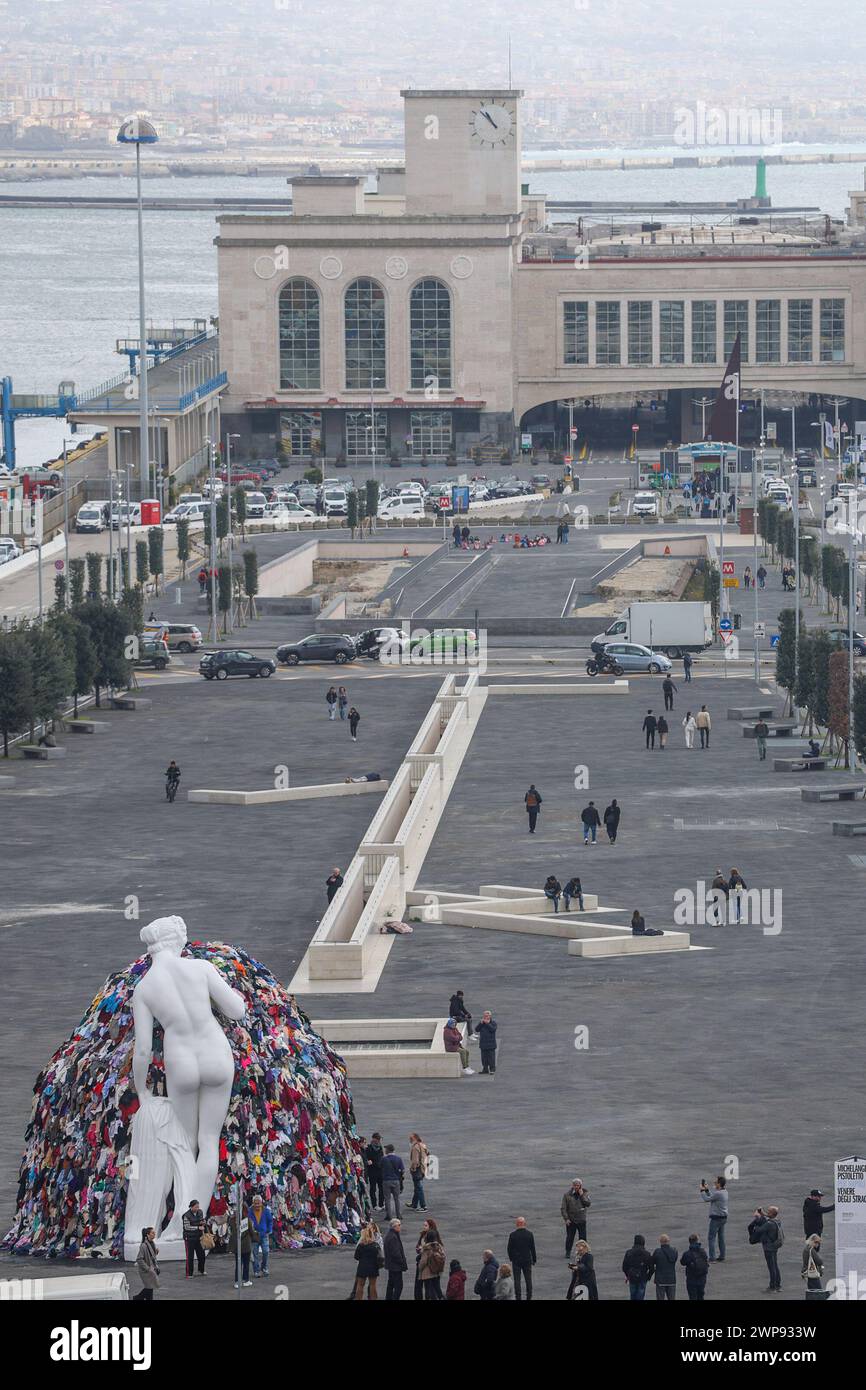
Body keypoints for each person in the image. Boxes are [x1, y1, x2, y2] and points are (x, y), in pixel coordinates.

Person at [750, 1205, 784, 1291]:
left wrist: (757, 1218)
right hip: (774, 1246)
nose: (767, 1213)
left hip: (768, 1247)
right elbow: (770, 1216)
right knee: (775, 1265)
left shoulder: (769, 1224)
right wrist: (762, 1213)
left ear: (771, 1214)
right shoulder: (777, 1221)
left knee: (771, 1267)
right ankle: (778, 1284)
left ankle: (772, 1286)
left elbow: (759, 1230)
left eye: (768, 1212)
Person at [506, 1216, 537, 1302]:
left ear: (517, 1224)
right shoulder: (529, 1234)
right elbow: (532, 1248)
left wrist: (512, 1258)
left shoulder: (513, 1235)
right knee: (528, 1279)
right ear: (525, 1224)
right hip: (527, 1259)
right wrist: (534, 1259)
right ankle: (529, 1296)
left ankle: (518, 1297)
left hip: (516, 1260)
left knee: (517, 1280)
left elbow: (509, 1248)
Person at [701, 1176, 729, 1262]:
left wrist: (702, 1191)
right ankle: (722, 1255)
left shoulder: (718, 1193)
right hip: (723, 1217)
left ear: (719, 1184)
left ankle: (712, 1257)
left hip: (716, 1218)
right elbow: (712, 1197)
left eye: (715, 1182)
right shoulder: (724, 1191)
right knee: (721, 1237)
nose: (714, 1183)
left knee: (711, 1237)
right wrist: (706, 1190)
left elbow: (707, 1199)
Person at [561, 1178, 591, 1256]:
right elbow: (563, 1208)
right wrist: (566, 1219)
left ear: (580, 1185)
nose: (576, 1187)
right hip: (571, 1220)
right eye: (575, 1185)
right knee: (570, 1237)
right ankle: (568, 1252)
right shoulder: (567, 1195)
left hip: (581, 1220)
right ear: (573, 1186)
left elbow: (587, 1204)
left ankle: (584, 1252)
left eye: (578, 1185)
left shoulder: (585, 1193)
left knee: (583, 1238)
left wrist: (582, 1195)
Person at [353, 1223, 384, 1300]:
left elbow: (356, 1257)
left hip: (362, 1266)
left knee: (360, 1285)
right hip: (373, 1267)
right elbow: (380, 1256)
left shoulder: (361, 1245)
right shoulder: (375, 1246)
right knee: (373, 1285)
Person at [417, 1222, 446, 1300]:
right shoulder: (438, 1246)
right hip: (436, 1271)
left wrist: (420, 1268)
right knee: (437, 1288)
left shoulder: (427, 1249)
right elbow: (443, 1256)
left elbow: (423, 1262)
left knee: (428, 1290)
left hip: (427, 1272)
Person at [622, 1234, 653, 1300]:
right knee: (640, 1296)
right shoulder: (647, 1254)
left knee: (633, 1295)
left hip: (632, 1277)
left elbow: (624, 1267)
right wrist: (648, 1277)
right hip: (643, 1277)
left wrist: (628, 1275)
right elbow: (652, 1268)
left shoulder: (628, 1252)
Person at [133, 1227, 159, 1301]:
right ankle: (137, 1298)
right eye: (152, 1233)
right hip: (146, 1270)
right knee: (149, 1287)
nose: (154, 1234)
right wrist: (147, 1268)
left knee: (150, 1288)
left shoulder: (152, 1243)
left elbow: (151, 1256)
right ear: (147, 1235)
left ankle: (137, 1298)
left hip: (151, 1269)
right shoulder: (144, 1246)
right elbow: (139, 1259)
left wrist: (156, 1252)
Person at [249, 1194, 272, 1277]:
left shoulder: (266, 1211)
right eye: (255, 1203)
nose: (257, 1205)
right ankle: (256, 1270)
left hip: (264, 1235)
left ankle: (264, 1267)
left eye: (258, 1203)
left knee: (266, 1252)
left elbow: (270, 1221)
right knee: (254, 1254)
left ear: (261, 1203)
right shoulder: (249, 1211)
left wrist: (269, 1230)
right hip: (254, 1236)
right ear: (253, 1203)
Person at [383, 1218, 407, 1300]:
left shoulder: (390, 1235)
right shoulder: (393, 1237)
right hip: (395, 1266)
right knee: (398, 1286)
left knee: (391, 1284)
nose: (400, 1227)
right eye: (399, 1225)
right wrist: (402, 1262)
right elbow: (395, 1253)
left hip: (391, 1265)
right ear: (394, 1226)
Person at [229, 1207, 252, 1288]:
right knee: (246, 1264)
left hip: (237, 1245)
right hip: (246, 1245)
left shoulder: (232, 1220)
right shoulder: (246, 1220)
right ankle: (246, 1280)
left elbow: (233, 1231)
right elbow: (251, 1231)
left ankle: (237, 1281)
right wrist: (256, 1238)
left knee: (238, 1264)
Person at [182, 1199, 206, 1278]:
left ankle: (201, 1269)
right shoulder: (186, 1215)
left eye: (198, 1206)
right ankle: (189, 1273)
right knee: (190, 1256)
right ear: (191, 1207)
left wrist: (203, 1222)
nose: (197, 1208)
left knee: (202, 1255)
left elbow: (201, 1220)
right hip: (189, 1238)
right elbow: (187, 1227)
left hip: (199, 1237)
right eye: (196, 1207)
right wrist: (198, 1228)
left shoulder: (200, 1212)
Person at [681, 1234, 709, 1300]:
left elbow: (682, 1262)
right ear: (697, 1241)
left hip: (691, 1279)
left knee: (692, 1296)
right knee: (701, 1296)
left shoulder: (687, 1253)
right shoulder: (703, 1251)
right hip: (702, 1278)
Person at [650, 1234, 678, 1301]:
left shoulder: (657, 1252)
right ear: (668, 1241)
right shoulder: (674, 1251)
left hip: (660, 1280)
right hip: (671, 1280)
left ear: (660, 1241)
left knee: (660, 1298)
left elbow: (652, 1262)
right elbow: (675, 1260)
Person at [382, 1143, 404, 1221]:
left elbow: (380, 1167)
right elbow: (402, 1170)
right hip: (396, 1180)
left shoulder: (384, 1159)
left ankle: (389, 1215)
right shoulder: (398, 1159)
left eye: (385, 1149)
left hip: (386, 1180)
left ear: (388, 1150)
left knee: (387, 1199)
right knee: (397, 1198)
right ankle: (399, 1215)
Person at [802, 1234, 828, 1300]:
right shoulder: (811, 1250)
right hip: (812, 1273)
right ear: (813, 1242)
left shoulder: (806, 1249)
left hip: (807, 1273)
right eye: (817, 1243)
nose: (818, 1245)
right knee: (819, 1291)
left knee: (811, 1291)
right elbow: (819, 1261)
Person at [409, 1132, 429, 1211]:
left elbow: (415, 1161)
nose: (410, 1140)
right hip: (423, 1168)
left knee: (419, 1187)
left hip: (417, 1170)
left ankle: (423, 1206)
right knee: (417, 1187)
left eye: (411, 1139)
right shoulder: (423, 1145)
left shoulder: (415, 1147)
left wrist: (412, 1168)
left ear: (415, 1138)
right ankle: (414, 1203)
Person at [364, 1132, 385, 1208]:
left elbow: (382, 1156)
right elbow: (367, 1159)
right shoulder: (368, 1148)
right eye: (378, 1139)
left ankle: (381, 1204)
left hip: (380, 1171)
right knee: (373, 1189)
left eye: (379, 1139)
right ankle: (374, 1205)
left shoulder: (380, 1147)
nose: (379, 1141)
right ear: (373, 1139)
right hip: (372, 1171)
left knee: (382, 1188)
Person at [476, 1010, 498, 1075]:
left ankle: (492, 1069)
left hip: (491, 1044)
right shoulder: (481, 1023)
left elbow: (493, 1030)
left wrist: (487, 1024)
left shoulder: (493, 1023)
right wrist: (481, 1023)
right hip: (483, 1044)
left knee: (491, 1058)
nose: (486, 1017)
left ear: (490, 1016)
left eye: (487, 1015)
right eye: (485, 1015)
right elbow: (477, 1029)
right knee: (484, 1058)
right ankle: (485, 1069)